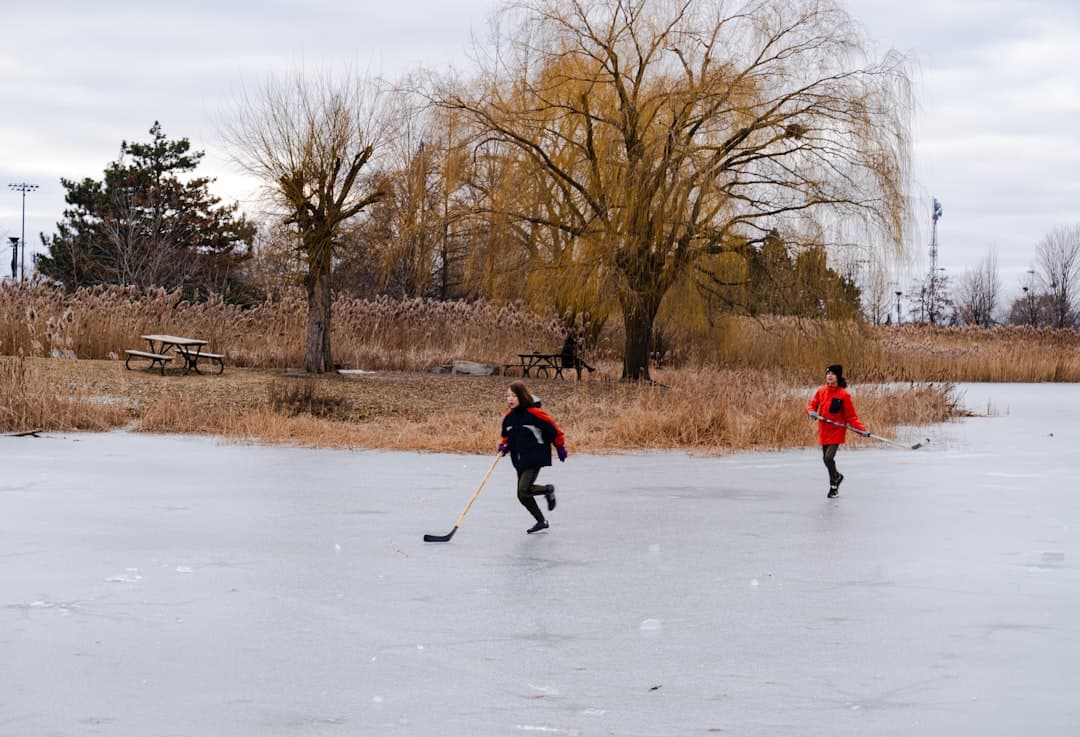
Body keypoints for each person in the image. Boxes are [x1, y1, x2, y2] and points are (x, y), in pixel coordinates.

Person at [499, 381, 568, 533]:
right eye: (508, 396)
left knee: (523, 489)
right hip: (518, 458)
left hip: (535, 455)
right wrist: (504, 446)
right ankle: (541, 521)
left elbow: (554, 430)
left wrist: (560, 446)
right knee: (522, 495)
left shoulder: (534, 413)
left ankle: (547, 489)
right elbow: (507, 435)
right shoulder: (509, 417)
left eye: (514, 396)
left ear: (522, 396)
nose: (510, 399)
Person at [806, 364, 869, 498]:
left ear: (837, 377)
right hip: (824, 430)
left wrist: (861, 430)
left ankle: (833, 486)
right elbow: (812, 405)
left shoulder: (843, 395)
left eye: (833, 374)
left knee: (829, 458)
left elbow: (851, 417)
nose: (829, 376)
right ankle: (837, 476)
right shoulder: (821, 391)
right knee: (825, 459)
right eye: (828, 373)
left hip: (837, 431)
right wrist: (811, 411)